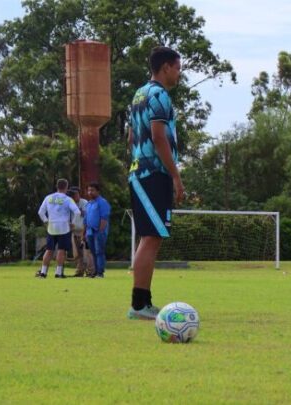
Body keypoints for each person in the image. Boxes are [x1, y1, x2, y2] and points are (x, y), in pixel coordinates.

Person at [127, 46, 184, 320]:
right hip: (153, 175)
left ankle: (142, 303)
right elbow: (159, 137)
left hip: (140, 172)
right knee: (151, 238)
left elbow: (131, 138)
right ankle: (139, 305)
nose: (179, 74)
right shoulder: (160, 95)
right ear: (165, 68)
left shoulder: (139, 94)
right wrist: (175, 175)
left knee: (150, 237)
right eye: (178, 68)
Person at [36, 178, 80, 278]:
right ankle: (58, 272)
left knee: (49, 250)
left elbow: (40, 212)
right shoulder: (67, 199)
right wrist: (73, 223)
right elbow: (77, 212)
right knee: (61, 249)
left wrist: (46, 221)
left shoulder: (48, 198)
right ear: (66, 187)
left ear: (57, 186)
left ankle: (43, 272)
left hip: (51, 226)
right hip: (64, 227)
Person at [84, 182, 111, 278]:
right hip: (89, 231)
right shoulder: (88, 204)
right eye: (89, 190)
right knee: (93, 252)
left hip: (99, 231)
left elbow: (104, 218)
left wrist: (100, 231)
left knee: (99, 251)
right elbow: (86, 220)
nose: (90, 192)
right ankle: (95, 271)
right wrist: (85, 233)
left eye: (92, 190)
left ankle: (100, 272)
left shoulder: (102, 202)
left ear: (98, 191)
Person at [68, 186, 94, 277]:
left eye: (76, 195)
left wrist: (78, 210)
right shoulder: (69, 204)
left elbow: (87, 215)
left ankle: (91, 271)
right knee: (77, 254)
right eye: (73, 195)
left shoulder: (84, 202)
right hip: (74, 231)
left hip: (84, 231)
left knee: (87, 252)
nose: (76, 197)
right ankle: (79, 271)